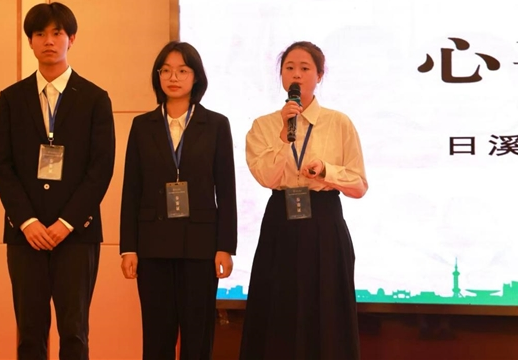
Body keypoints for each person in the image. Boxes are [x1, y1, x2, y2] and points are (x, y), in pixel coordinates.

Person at [0, 2, 115, 360]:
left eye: (57, 33)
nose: (48, 40)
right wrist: (27, 221)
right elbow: (1, 165)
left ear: (71, 38)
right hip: (24, 235)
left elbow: (100, 168)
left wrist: (66, 223)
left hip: (76, 234)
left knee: (74, 332)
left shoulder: (94, 99)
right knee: (30, 333)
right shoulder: (11, 99)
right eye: (40, 33)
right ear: (30, 41)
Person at [239, 41, 367, 360]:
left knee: (325, 309)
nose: (296, 74)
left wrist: (327, 171)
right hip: (280, 221)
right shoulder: (264, 125)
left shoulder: (339, 123)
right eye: (290, 68)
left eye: (305, 68)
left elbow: (359, 184)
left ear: (319, 75)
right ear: (282, 75)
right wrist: (284, 136)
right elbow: (266, 177)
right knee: (277, 307)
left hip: (324, 221)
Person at [119, 41, 238, 360]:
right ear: (157, 75)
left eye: (183, 70)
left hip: (201, 247)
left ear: (196, 77)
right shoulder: (142, 126)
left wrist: (225, 246)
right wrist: (128, 247)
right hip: (152, 247)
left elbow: (227, 190)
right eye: (166, 70)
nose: (173, 77)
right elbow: (131, 189)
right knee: (157, 337)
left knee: (198, 338)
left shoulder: (216, 125)